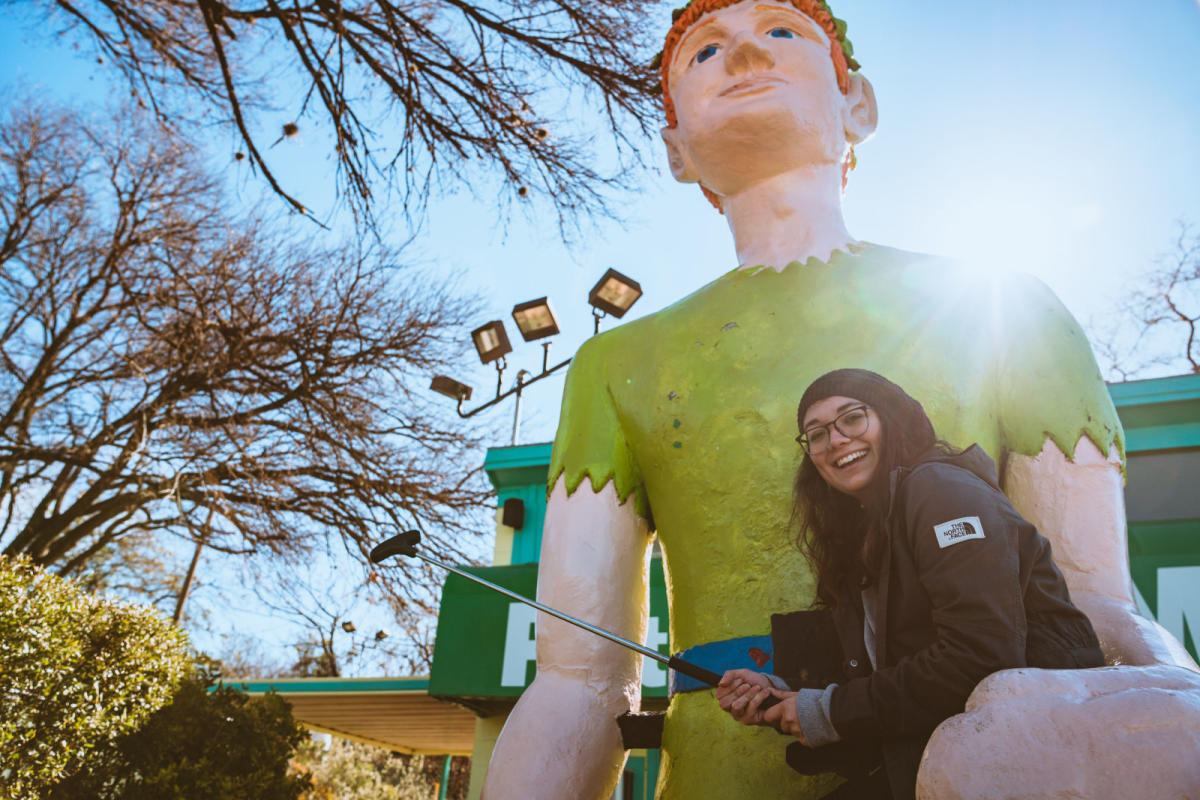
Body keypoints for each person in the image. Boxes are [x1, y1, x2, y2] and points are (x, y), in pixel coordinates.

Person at [482, 1, 1199, 798]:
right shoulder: (613, 365)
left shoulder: (1009, 311)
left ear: (858, 101)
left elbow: (1100, 613)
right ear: (676, 147)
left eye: (783, 32)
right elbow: (576, 681)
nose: (747, 54)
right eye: (706, 52)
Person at [715, 368, 1105, 800]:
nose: (836, 440)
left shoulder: (942, 492)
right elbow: (889, 665)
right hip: (938, 757)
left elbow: (981, 656)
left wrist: (830, 711)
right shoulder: (871, 526)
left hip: (1035, 757)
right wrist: (789, 694)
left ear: (891, 419)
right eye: (817, 434)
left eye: (852, 418)